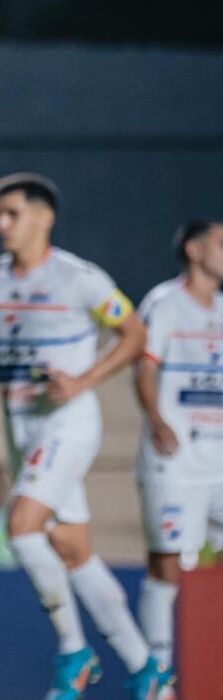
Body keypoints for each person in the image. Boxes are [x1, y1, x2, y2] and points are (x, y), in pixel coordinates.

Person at [0, 172, 165, 700]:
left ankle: (73, 652)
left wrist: (83, 380)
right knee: (73, 550)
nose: (1, 223)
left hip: (68, 424)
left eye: (12, 214)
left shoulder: (80, 279)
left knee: (22, 528)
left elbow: (136, 334)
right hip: (22, 430)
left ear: (43, 218)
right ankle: (146, 670)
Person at [134, 221, 223, 700]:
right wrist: (155, 418)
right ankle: (158, 681)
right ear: (193, 250)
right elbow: (144, 367)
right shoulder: (165, 303)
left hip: (220, 460)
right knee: (165, 564)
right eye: (221, 243)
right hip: (176, 459)